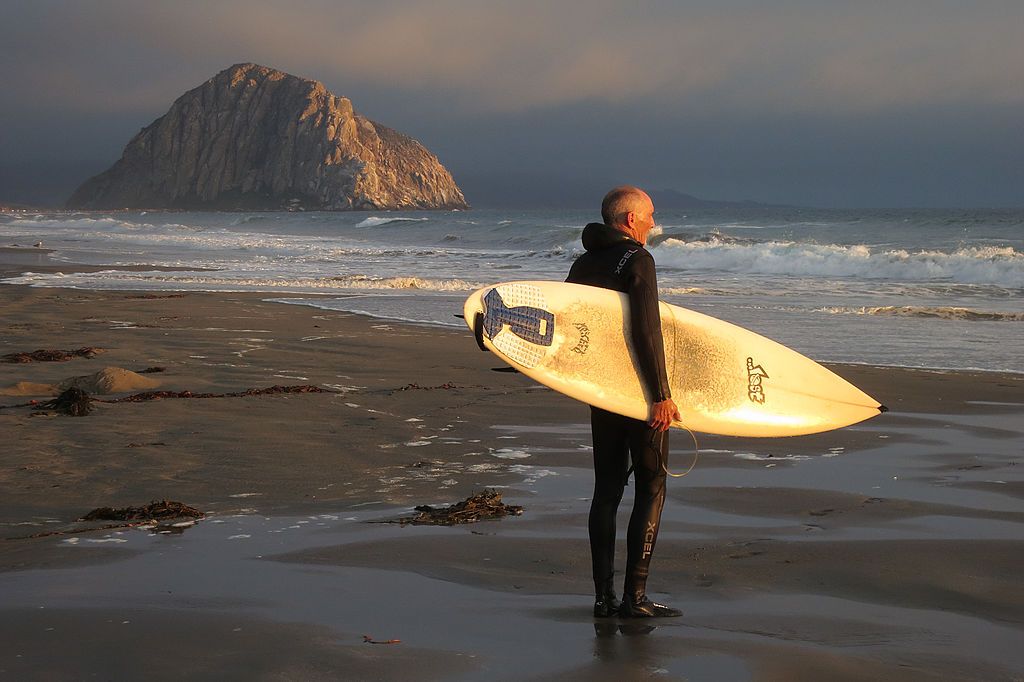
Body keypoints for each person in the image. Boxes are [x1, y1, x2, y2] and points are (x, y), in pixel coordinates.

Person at [566, 186, 682, 618]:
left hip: (601, 392)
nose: (654, 221)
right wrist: (662, 397)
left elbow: (569, 330)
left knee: (606, 493)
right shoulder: (638, 260)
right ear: (631, 220)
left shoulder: (583, 263)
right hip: (637, 393)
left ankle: (602, 598)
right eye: (650, 215)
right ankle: (634, 599)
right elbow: (646, 331)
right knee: (652, 487)